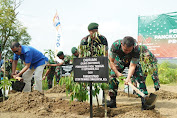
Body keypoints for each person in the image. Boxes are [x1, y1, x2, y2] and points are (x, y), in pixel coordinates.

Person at [108, 36, 148, 109]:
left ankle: (144, 101)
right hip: (120, 61)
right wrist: (117, 73)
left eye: (129, 50)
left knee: (140, 77)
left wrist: (128, 77)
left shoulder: (137, 49)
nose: (127, 52)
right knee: (112, 77)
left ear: (133, 46)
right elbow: (111, 61)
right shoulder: (115, 45)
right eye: (125, 50)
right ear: (121, 44)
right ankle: (112, 101)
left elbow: (132, 65)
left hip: (132, 62)